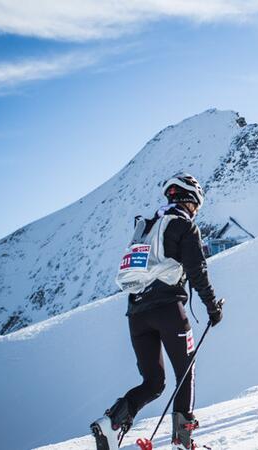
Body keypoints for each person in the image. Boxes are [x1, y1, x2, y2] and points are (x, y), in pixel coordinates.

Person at [92, 173, 224, 450]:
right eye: (196, 206)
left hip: (137, 314)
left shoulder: (147, 227)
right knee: (185, 373)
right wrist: (212, 307)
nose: (196, 212)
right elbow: (197, 271)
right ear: (191, 200)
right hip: (167, 310)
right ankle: (183, 442)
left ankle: (111, 423)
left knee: (153, 382)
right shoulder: (183, 226)